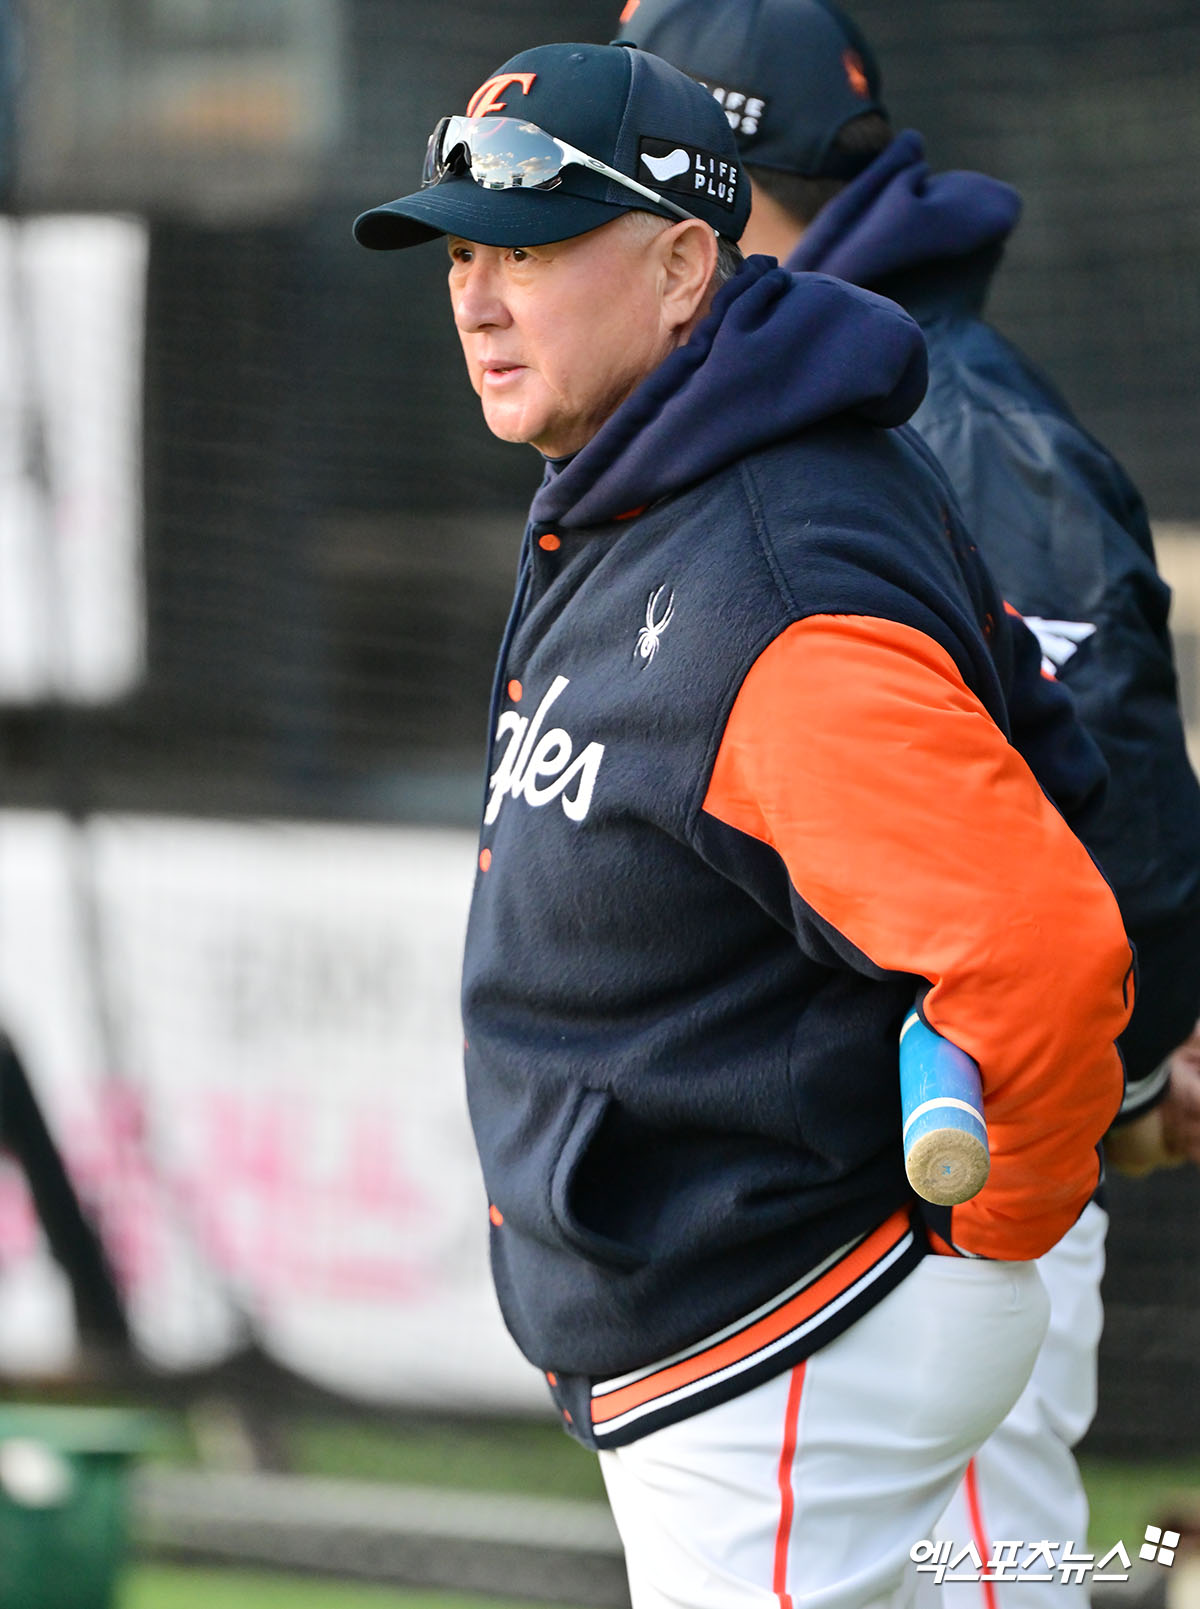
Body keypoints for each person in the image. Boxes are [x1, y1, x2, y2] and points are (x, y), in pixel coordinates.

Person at [354, 40, 1134, 1609]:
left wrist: (995, 1235)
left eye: (533, 249)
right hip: (790, 1326)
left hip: (787, 1334)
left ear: (682, 265)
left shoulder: (763, 574)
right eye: (461, 254)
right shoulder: (672, 478)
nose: (479, 297)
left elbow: (1040, 952)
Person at [617, 0, 1200, 1596]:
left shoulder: (950, 417)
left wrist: (1118, 1083)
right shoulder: (781, 398)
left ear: (714, 184)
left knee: (995, 1576)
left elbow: (1115, 802)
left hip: (955, 1181)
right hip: (835, 1194)